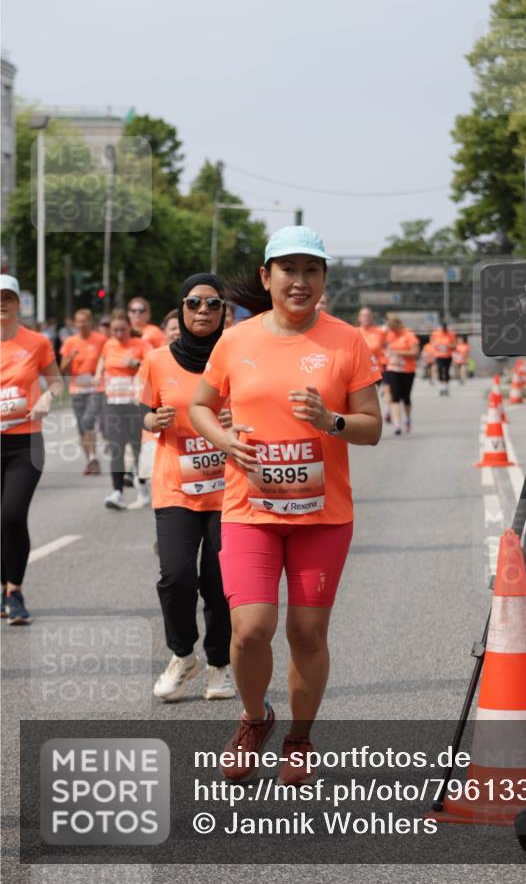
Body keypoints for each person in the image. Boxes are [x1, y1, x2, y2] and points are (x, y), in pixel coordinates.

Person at [190, 225, 382, 784]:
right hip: (250, 508)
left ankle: (299, 738)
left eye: (312, 271)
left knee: (306, 633)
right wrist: (223, 441)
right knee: (250, 629)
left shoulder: (346, 341)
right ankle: (255, 719)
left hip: (322, 517)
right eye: (289, 270)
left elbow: (370, 429)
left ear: (323, 278)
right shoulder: (236, 340)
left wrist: (332, 421)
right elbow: (203, 405)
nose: (300, 282)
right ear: (266, 277)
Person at [139, 273, 235, 702]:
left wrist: (238, 422)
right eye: (194, 303)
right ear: (182, 308)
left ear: (223, 313)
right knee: (176, 576)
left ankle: (219, 664)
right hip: (175, 488)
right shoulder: (158, 360)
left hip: (229, 489)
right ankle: (183, 655)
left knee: (218, 583)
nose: (203, 311)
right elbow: (144, 414)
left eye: (213, 304)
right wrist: (152, 421)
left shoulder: (237, 356)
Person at [0, 275, 63, 624]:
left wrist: (47, 400)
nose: (2, 303)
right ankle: (4, 589)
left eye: (8, 297)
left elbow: (55, 382)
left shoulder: (35, 342)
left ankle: (16, 590)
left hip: (25, 443)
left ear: (17, 303)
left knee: (11, 515)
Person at [96, 309, 151, 509]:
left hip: (135, 405)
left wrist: (136, 363)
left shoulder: (141, 344)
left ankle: (143, 488)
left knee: (137, 448)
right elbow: (103, 359)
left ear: (130, 327)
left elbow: (153, 366)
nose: (118, 335)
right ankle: (117, 492)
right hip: (113, 404)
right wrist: (98, 373)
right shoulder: (108, 344)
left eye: (122, 330)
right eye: (115, 330)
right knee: (116, 448)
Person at [59, 308, 107, 475]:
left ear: (90, 322)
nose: (81, 325)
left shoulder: (100, 340)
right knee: (81, 428)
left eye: (84, 321)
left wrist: (100, 374)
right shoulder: (70, 342)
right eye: (78, 322)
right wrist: (69, 358)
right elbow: (61, 369)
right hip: (76, 389)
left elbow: (108, 360)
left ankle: (93, 457)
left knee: (88, 421)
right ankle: (90, 460)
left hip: (96, 389)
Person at [385, 314, 420, 435]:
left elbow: (415, 353)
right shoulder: (389, 335)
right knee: (395, 397)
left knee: (406, 397)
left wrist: (399, 352)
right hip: (393, 369)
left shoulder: (409, 335)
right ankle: (397, 424)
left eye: (393, 328)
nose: (392, 331)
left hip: (407, 370)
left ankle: (408, 419)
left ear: (397, 325)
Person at [430, 321, 456, 396]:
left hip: (448, 355)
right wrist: (437, 346)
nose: (444, 330)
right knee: (440, 370)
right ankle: (441, 388)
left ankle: (446, 388)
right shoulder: (436, 334)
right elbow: (432, 343)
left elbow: (454, 345)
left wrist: (448, 346)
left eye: (445, 328)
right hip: (439, 355)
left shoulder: (451, 334)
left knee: (446, 371)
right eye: (443, 328)